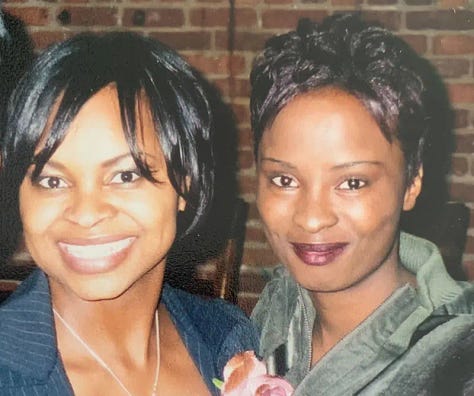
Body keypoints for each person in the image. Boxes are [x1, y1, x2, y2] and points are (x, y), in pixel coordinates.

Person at [0, 31, 258, 396]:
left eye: (125, 175)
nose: (86, 213)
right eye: (52, 181)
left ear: (184, 184)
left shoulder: (227, 340)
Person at [250, 13, 474, 395]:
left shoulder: (455, 364)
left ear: (412, 182)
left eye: (352, 183)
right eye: (284, 180)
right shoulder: (279, 304)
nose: (312, 218)